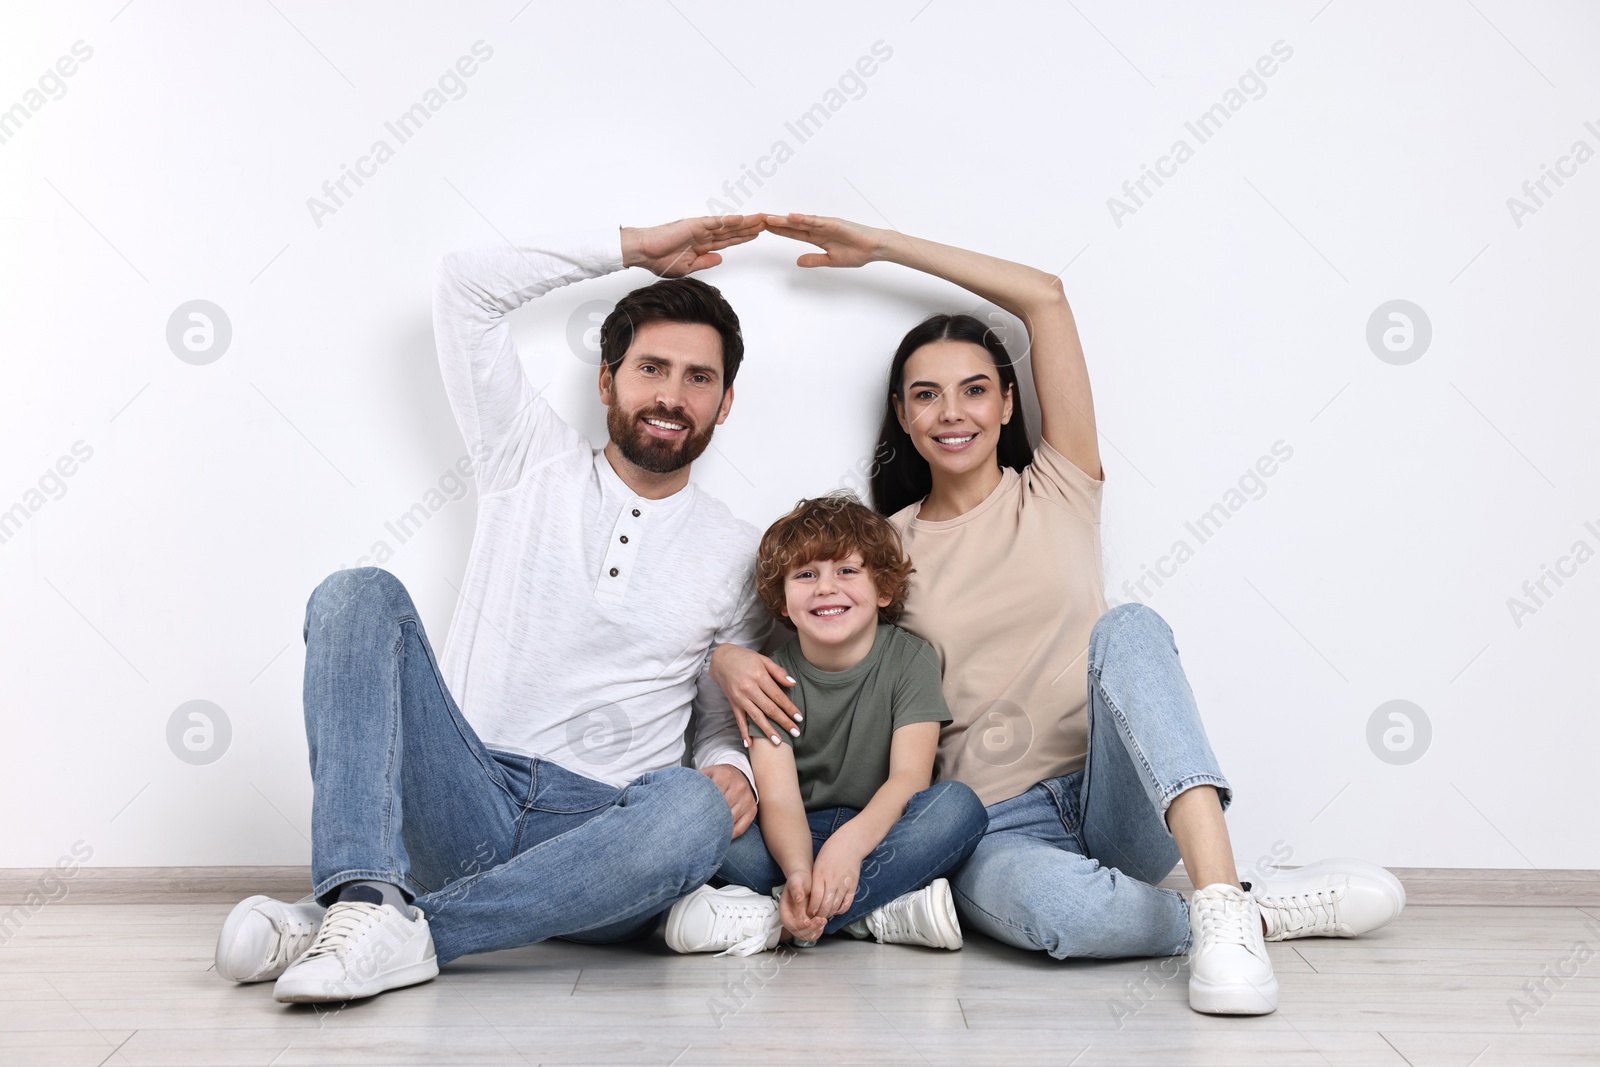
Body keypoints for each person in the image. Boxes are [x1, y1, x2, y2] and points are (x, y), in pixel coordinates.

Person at [711, 212, 1407, 1015]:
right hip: (993, 823)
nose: (952, 412)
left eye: (975, 389)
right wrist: (727, 656)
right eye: (926, 395)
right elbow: (802, 632)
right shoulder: (879, 553)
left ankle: (1220, 903)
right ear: (903, 416)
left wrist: (886, 248)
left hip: (1116, 793)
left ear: (1010, 402)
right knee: (1058, 916)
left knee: (1131, 626)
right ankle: (1246, 909)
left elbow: (1045, 296)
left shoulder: (1060, 485)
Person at [213, 215, 779, 1003]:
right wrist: (633, 249)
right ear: (607, 380)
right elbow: (464, 283)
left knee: (690, 806)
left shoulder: (742, 551)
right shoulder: (527, 457)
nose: (672, 396)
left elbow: (720, 721)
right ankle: (368, 896)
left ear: (725, 404)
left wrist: (731, 769)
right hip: (465, 792)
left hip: (600, 833)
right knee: (355, 594)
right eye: (652, 368)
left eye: (698, 378)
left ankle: (365, 926)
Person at [664, 494, 988, 956]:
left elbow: (908, 780)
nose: (826, 588)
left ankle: (778, 921)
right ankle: (870, 914)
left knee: (959, 807)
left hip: (880, 833)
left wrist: (849, 849)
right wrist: (798, 872)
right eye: (806, 574)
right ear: (782, 601)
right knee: (720, 830)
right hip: (793, 834)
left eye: (847, 571)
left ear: (883, 590)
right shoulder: (768, 677)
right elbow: (778, 798)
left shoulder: (911, 659)